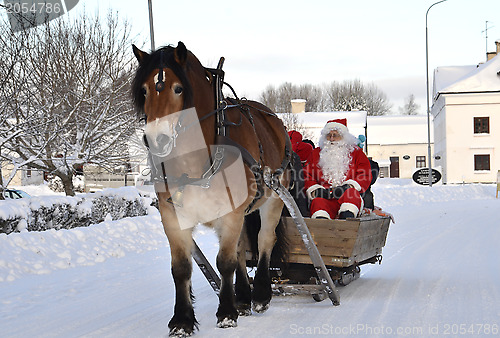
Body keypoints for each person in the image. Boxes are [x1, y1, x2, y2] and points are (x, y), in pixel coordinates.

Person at [304, 119, 372, 220]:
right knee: (317, 202)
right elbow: (307, 175)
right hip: (326, 196)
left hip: (348, 195)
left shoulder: (356, 152)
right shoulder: (316, 153)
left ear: (344, 137)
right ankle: (321, 226)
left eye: (335, 135)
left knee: (352, 195)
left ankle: (347, 220)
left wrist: (349, 186)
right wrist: (315, 190)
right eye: (328, 135)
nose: (331, 139)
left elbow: (365, 174)